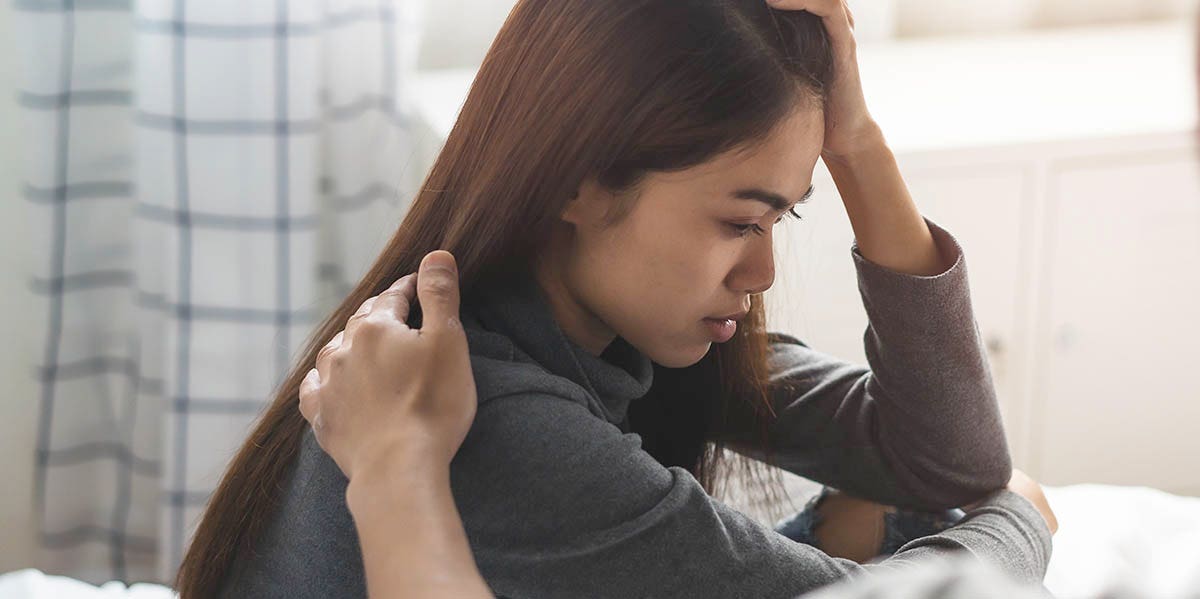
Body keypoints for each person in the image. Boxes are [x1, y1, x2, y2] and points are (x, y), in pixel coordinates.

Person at [175, 0, 1058, 597]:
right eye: (738, 221)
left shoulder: (607, 330)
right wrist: (1021, 517)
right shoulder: (499, 423)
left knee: (905, 509)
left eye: (780, 219)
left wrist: (856, 141)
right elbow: (983, 491)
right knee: (965, 539)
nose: (761, 277)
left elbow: (952, 461)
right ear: (581, 184)